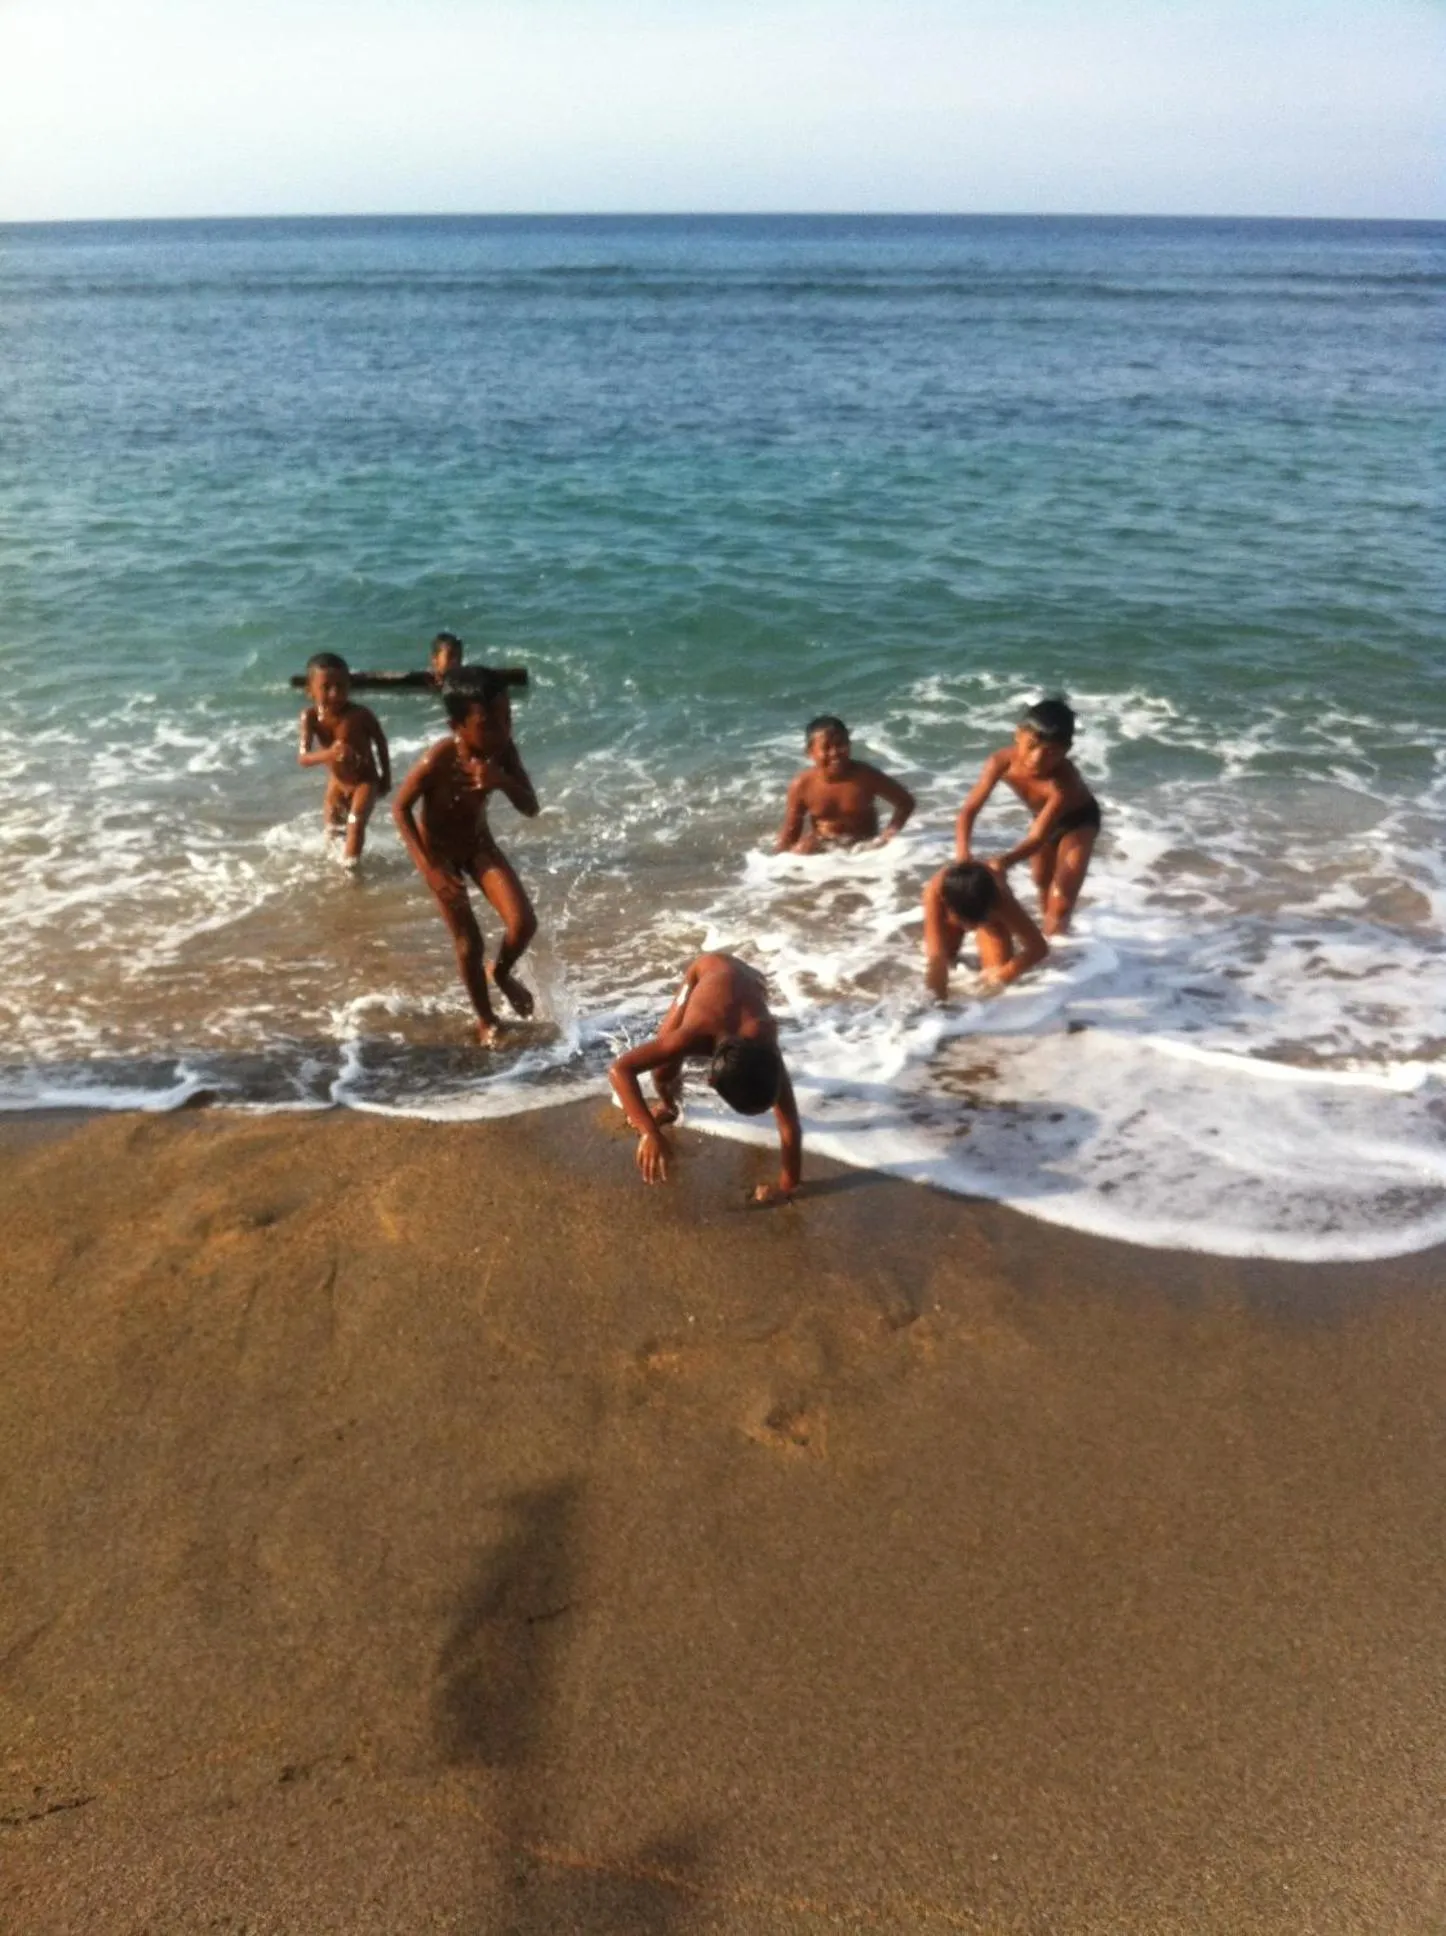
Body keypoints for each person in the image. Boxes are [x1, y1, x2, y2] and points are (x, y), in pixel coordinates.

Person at [391, 668, 540, 1044]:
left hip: (478, 846)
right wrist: (430, 871)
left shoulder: (504, 752)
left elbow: (530, 808)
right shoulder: (438, 759)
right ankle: (486, 1020)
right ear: (456, 725)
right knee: (468, 941)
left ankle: (502, 973)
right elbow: (400, 809)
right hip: (440, 856)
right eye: (488, 724)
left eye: (508, 718)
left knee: (523, 924)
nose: (502, 731)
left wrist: (502, 781)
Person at [609, 953, 803, 1202]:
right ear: (711, 1081)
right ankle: (669, 1106)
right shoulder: (693, 1034)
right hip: (706, 970)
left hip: (746, 980)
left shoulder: (765, 1047)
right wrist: (648, 1131)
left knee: (668, 1063)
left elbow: (789, 1125)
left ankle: (668, 1105)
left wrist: (787, 1188)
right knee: (663, 1071)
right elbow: (620, 1070)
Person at [954, 698, 1101, 934]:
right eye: (1031, 745)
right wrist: (963, 853)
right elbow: (969, 810)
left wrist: (1003, 861)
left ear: (1066, 752)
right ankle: (1047, 938)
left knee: (1061, 900)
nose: (1037, 759)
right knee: (1041, 881)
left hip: (1079, 822)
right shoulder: (1000, 762)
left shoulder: (1064, 783)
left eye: (1052, 753)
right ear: (1018, 734)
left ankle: (1058, 949)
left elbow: (1037, 838)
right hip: (1042, 818)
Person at [296, 652, 391, 866]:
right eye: (326, 687)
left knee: (355, 823)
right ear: (309, 690)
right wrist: (328, 754)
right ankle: (338, 873)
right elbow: (303, 758)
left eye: (341, 686)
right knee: (332, 831)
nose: (335, 694)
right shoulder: (310, 717)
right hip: (337, 783)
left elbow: (381, 742)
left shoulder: (360, 714)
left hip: (365, 780)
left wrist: (386, 776)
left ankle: (351, 872)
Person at [776, 715, 915, 852]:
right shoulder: (802, 785)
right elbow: (790, 833)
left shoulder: (865, 776)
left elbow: (906, 802)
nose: (835, 752)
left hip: (864, 848)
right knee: (803, 848)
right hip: (825, 848)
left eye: (841, 744)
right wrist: (775, 864)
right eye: (826, 747)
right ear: (810, 752)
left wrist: (888, 835)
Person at [922, 861, 1048, 1001]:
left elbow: (1038, 948)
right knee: (947, 958)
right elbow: (937, 957)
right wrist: (936, 1006)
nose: (971, 929)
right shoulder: (934, 894)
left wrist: (1003, 975)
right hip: (958, 905)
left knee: (993, 988)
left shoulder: (1001, 900)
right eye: (967, 924)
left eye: (976, 924)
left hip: (988, 914)